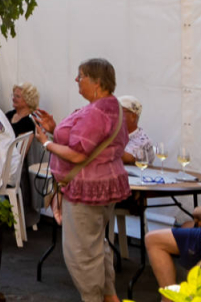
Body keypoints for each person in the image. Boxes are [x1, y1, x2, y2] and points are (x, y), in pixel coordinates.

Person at [33, 58, 129, 302]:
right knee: (96, 246)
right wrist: (55, 128)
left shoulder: (97, 112)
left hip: (86, 189)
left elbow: (78, 154)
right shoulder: (110, 106)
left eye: (81, 76)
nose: (77, 80)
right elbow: (84, 144)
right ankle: (109, 298)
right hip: (100, 186)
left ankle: (93, 298)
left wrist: (46, 142)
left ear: (97, 81)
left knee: (80, 253)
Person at [117, 95, 151, 164]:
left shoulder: (143, 139)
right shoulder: (114, 134)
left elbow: (127, 157)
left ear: (133, 116)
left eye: (119, 111)